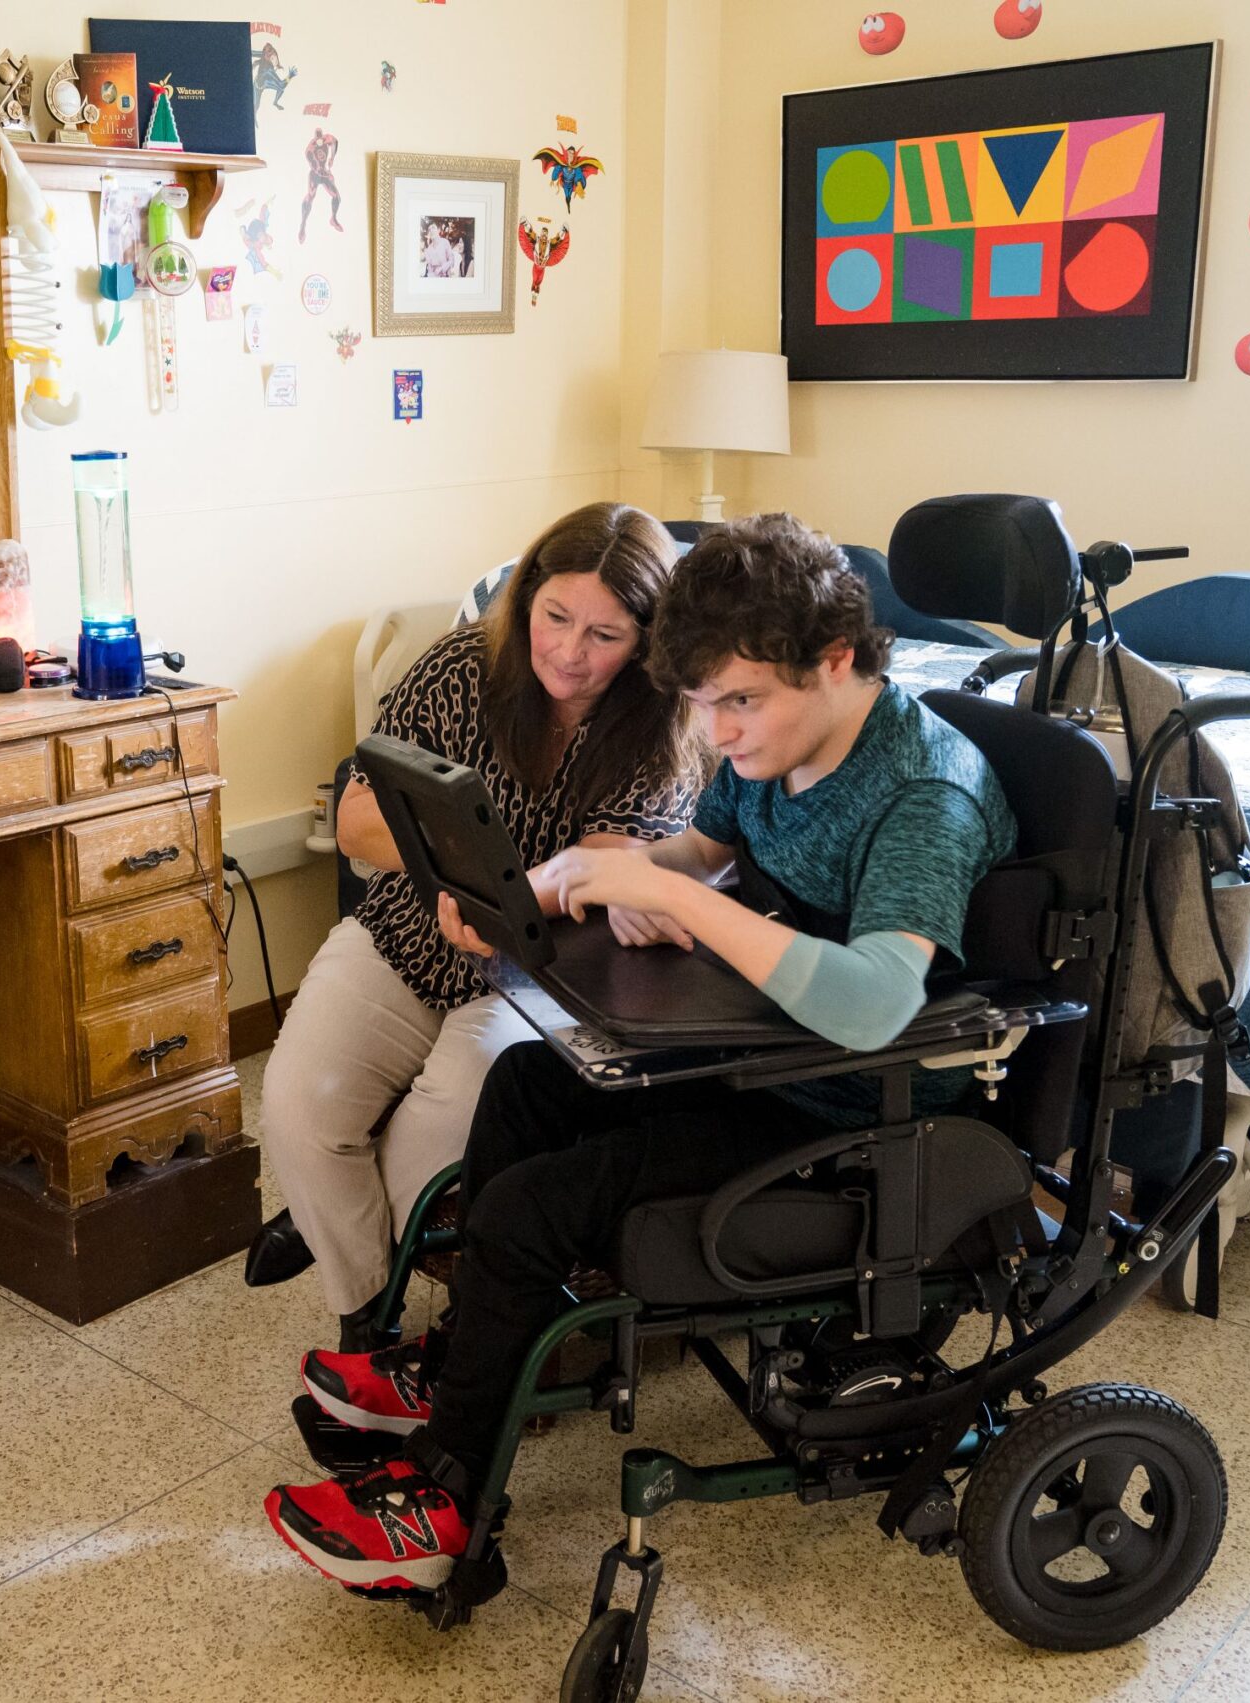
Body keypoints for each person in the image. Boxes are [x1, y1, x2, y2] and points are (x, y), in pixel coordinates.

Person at [264, 513, 1021, 1594]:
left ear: (839, 660)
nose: (714, 730)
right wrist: (571, 875)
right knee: (526, 1083)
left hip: (857, 1110)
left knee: (535, 1205)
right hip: (764, 1054)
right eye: (701, 701)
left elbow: (871, 1003)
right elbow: (701, 848)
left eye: (738, 702)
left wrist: (667, 893)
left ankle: (445, 1509)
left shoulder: (921, 793)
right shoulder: (770, 744)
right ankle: (470, 1362)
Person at [254, 503, 700, 1354]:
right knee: (297, 1107)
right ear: (526, 597)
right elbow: (354, 823)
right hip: (409, 929)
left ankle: (345, 1248)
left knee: (437, 1139)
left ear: (648, 640)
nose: (570, 653)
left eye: (606, 636)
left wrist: (502, 890)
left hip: (543, 970)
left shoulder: (661, 719)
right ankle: (368, 1316)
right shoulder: (462, 665)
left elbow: (603, 871)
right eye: (555, 618)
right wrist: (452, 880)